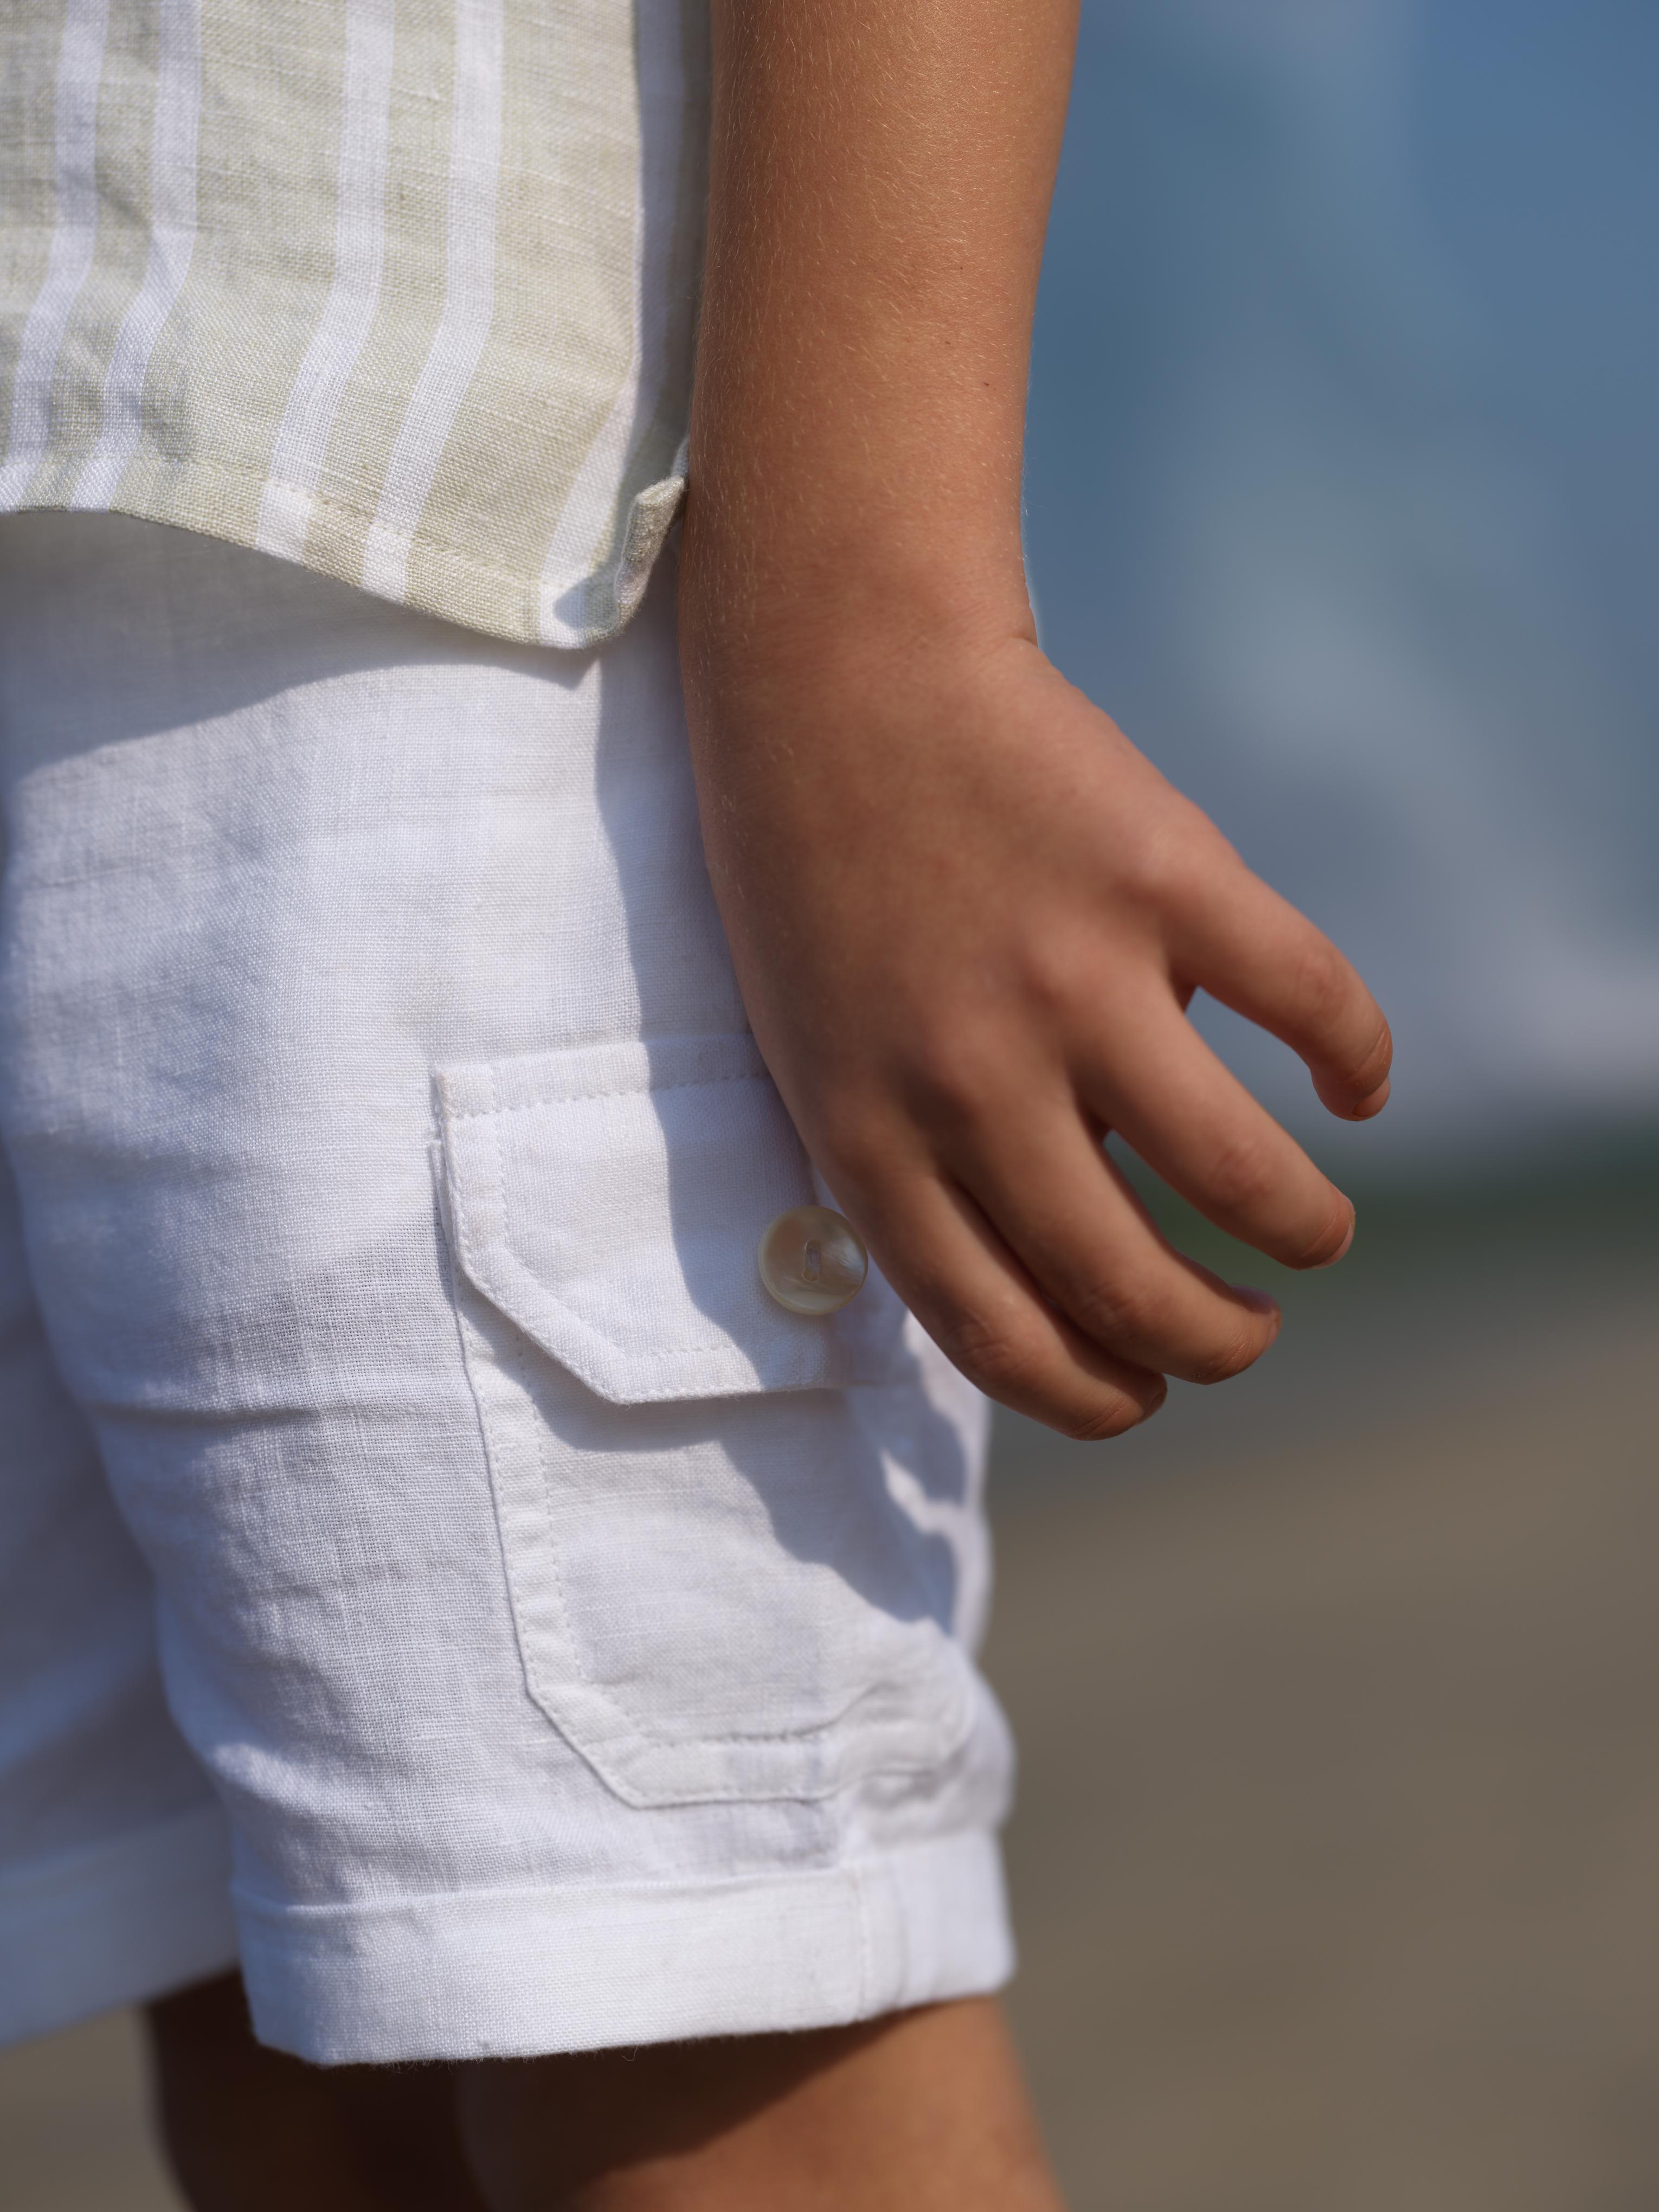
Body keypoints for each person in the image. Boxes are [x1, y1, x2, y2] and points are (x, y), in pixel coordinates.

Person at [0, 0, 1391, 2203]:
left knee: (686, 2065)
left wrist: (876, 617)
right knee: (323, 2041)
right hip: (114, 449)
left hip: (448, 552)